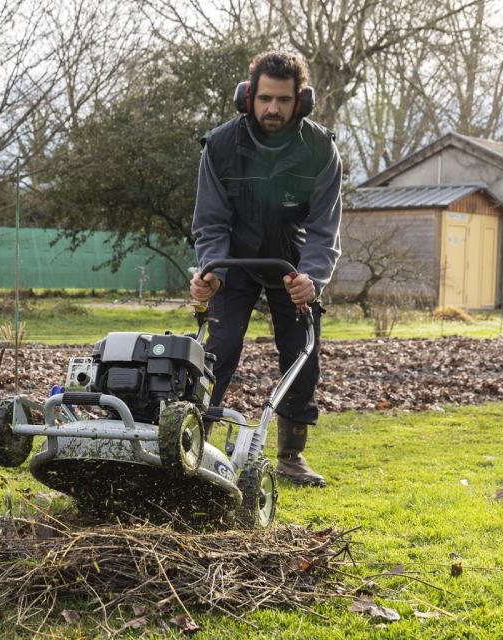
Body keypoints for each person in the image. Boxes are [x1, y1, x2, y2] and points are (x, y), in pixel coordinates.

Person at [189, 51, 342, 487]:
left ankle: (291, 458)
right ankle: (193, 439)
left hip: (291, 265)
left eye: (283, 99)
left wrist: (311, 277)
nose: (273, 108)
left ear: (301, 101)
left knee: (302, 352)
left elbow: (324, 225)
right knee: (216, 349)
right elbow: (211, 220)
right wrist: (211, 271)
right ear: (248, 98)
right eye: (265, 98)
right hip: (232, 261)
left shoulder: (320, 149)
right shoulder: (219, 146)